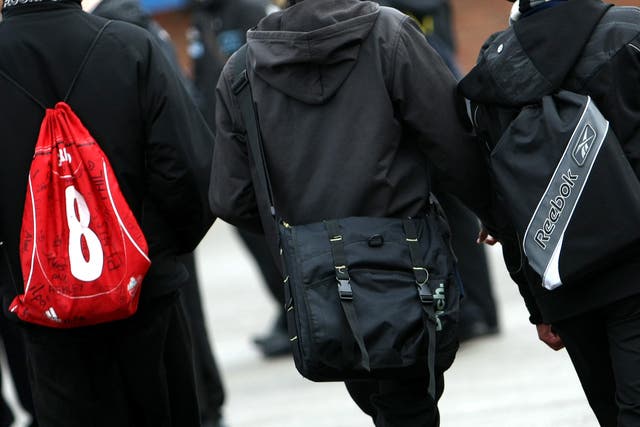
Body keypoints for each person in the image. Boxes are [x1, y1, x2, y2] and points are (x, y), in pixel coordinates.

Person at [209, 0, 492, 425]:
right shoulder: (390, 34)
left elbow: (230, 198)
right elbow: (454, 144)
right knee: (408, 404)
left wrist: (300, 239)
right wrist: (492, 211)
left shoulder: (241, 69)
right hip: (406, 266)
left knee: (384, 402)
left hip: (323, 283)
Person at [0, 0, 215, 425]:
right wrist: (159, 254)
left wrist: (14, 271)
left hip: (43, 304)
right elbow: (191, 171)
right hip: (147, 296)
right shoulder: (130, 46)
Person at [458, 0, 640, 425]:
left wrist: (538, 306)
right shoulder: (628, 32)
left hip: (563, 280)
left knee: (612, 411)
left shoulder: (493, 69)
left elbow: (502, 202)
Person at [84, 1, 229, 425]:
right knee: (183, 323)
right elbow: (183, 151)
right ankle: (208, 401)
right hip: (155, 225)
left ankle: (208, 401)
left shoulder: (119, 28)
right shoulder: (128, 30)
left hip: (126, 228)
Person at [379, 0, 500, 341]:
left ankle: (475, 309)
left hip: (429, 94)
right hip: (421, 90)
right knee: (448, 209)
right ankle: (470, 307)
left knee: (455, 210)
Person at [188, 0, 291, 358]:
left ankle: (296, 311)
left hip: (260, 147)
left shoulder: (250, 11)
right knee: (250, 235)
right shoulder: (201, 17)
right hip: (225, 146)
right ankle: (288, 308)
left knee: (274, 241)